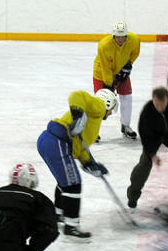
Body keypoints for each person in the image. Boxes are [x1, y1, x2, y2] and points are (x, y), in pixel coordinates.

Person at [37, 89, 118, 239]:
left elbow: (80, 147)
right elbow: (77, 95)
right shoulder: (99, 107)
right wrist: (77, 116)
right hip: (57, 142)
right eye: (112, 108)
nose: (111, 112)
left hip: (51, 142)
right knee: (73, 183)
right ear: (108, 103)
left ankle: (58, 215)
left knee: (66, 181)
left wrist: (89, 163)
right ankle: (71, 226)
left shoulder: (95, 118)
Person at [126, 86, 168, 213]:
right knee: (144, 163)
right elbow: (145, 134)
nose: (159, 108)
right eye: (156, 105)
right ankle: (133, 196)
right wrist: (152, 154)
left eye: (162, 105)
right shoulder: (148, 110)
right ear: (153, 99)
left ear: (167, 99)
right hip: (154, 138)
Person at [93, 21, 141, 140]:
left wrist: (128, 64)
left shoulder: (134, 40)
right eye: (118, 37)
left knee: (127, 98)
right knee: (101, 103)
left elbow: (135, 53)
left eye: (123, 36)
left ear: (126, 35)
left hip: (121, 71)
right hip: (102, 74)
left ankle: (126, 126)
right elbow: (105, 67)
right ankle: (93, 130)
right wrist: (108, 85)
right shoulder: (104, 45)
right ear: (114, 35)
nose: (121, 39)